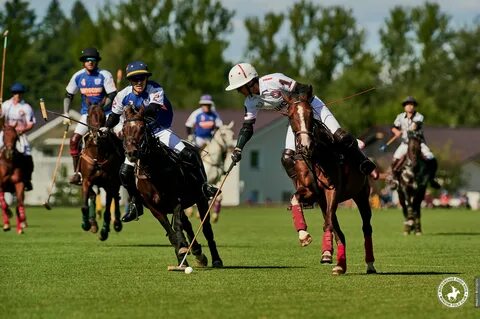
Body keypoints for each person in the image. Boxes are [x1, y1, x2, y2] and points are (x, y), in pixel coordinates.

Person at [225, 62, 377, 244]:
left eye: (239, 88)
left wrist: (299, 105)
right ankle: (305, 189)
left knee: (340, 136)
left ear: (249, 83)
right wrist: (238, 147)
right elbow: (248, 127)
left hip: (313, 108)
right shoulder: (250, 101)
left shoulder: (274, 80)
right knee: (287, 157)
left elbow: (304, 88)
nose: (238, 92)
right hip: (295, 119)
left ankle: (363, 162)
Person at [103, 61, 219, 222]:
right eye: (134, 79)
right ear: (130, 81)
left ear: (146, 78)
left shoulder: (155, 89)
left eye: (141, 78)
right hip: (138, 137)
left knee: (189, 154)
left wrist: (136, 116)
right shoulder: (122, 95)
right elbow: (114, 115)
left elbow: (152, 109)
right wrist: (106, 127)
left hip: (159, 131)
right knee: (124, 173)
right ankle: (136, 203)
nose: (138, 82)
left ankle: (203, 187)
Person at [63, 47, 117, 185]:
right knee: (74, 140)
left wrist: (101, 108)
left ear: (97, 61)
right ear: (83, 62)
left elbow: (112, 94)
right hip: (87, 115)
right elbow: (69, 95)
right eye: (87, 60)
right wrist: (66, 113)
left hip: (106, 114)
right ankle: (78, 172)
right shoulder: (78, 76)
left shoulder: (104, 75)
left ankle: (123, 167)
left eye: (93, 60)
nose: (90, 62)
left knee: (120, 135)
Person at [388, 96, 441, 189]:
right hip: (405, 144)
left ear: (414, 106)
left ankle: (432, 178)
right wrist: (396, 132)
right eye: (408, 104)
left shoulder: (419, 116)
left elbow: (414, 126)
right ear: (404, 107)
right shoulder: (400, 117)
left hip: (418, 143)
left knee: (432, 159)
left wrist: (405, 130)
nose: (410, 106)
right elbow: (394, 127)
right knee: (394, 160)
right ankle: (394, 179)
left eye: (412, 104)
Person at [0, 82, 36, 191]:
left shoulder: (26, 107)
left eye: (20, 93)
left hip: (20, 135)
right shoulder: (6, 105)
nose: (18, 95)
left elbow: (31, 123)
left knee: (27, 153)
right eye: (16, 93)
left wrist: (23, 129)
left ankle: (27, 179)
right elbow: (1, 119)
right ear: (13, 93)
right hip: (6, 134)